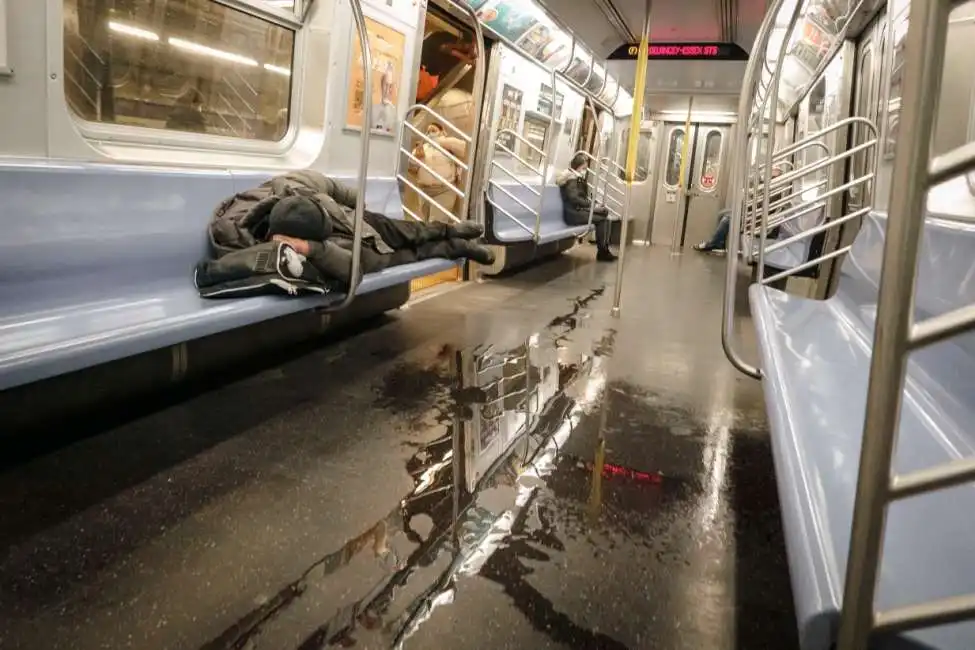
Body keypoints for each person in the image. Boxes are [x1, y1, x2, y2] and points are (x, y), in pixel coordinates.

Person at [207, 171, 494, 286]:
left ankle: (451, 229)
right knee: (412, 254)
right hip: (351, 253)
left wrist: (356, 207)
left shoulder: (297, 184)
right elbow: (352, 272)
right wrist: (314, 249)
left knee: (413, 231)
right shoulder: (245, 241)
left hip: (357, 222)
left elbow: (334, 188)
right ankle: (457, 247)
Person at [693, 166, 787, 253]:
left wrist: (749, 200)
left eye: (772, 174)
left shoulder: (775, 191)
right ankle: (720, 242)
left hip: (758, 220)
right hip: (755, 215)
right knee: (722, 213)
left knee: (727, 219)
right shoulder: (769, 187)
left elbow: (760, 207)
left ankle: (713, 243)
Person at [556, 153, 616, 262]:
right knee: (603, 220)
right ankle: (602, 252)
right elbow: (574, 198)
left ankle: (604, 250)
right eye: (583, 168)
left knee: (606, 217)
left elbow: (580, 198)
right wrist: (591, 206)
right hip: (573, 214)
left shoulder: (576, 178)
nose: (585, 171)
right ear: (577, 167)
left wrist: (593, 205)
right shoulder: (571, 179)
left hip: (578, 211)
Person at [410, 122, 466, 223]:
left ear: (441, 132)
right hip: (424, 191)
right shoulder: (422, 148)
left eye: (434, 130)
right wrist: (416, 158)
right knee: (426, 223)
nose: (431, 133)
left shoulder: (449, 145)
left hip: (444, 191)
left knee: (436, 224)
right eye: (428, 131)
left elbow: (463, 148)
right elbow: (412, 170)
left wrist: (440, 141)